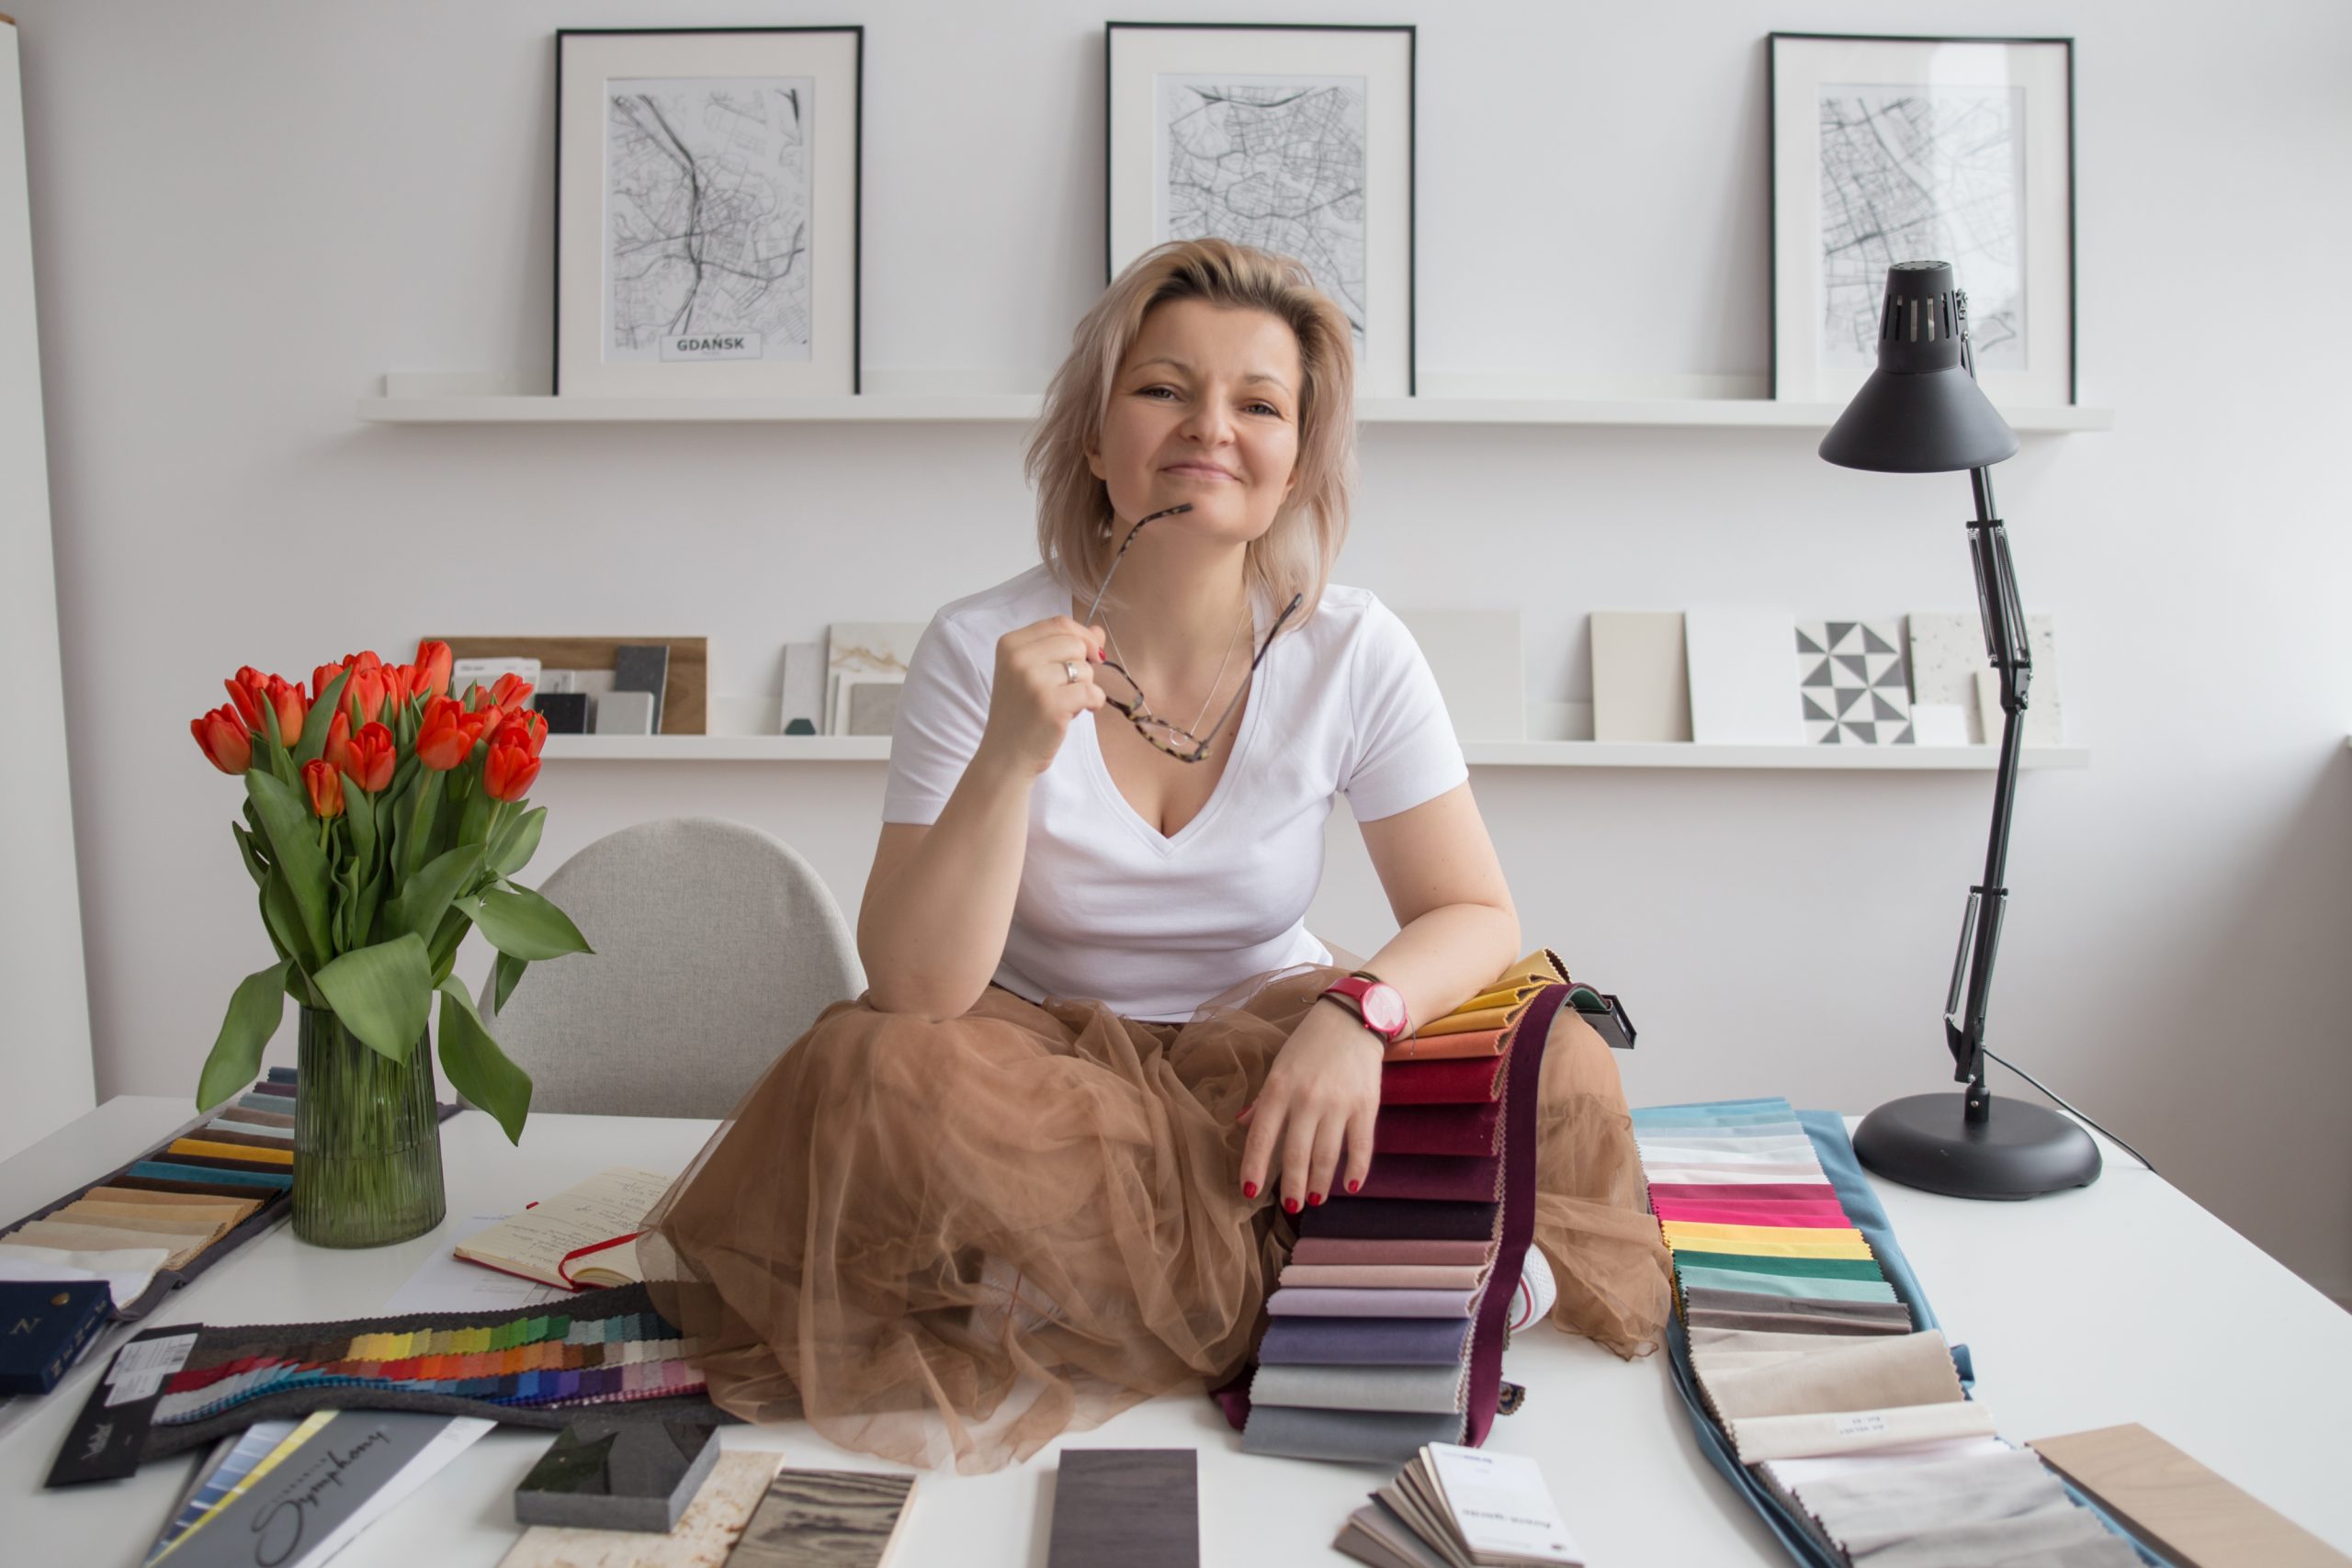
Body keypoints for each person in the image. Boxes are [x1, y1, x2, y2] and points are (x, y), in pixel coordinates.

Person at [639, 238, 1670, 1474]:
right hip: (1037, 1066)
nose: (1210, 429)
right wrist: (1009, 756)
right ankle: (1367, 1282)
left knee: (1560, 1060)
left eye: (1259, 405)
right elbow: (915, 988)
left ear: (1298, 462)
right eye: (1163, 389)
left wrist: (1359, 1015)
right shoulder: (978, 646)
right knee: (878, 1074)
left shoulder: (1354, 649)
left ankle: (1090, 1295)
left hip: (1279, 1048)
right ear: (1094, 438)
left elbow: (1473, 912)